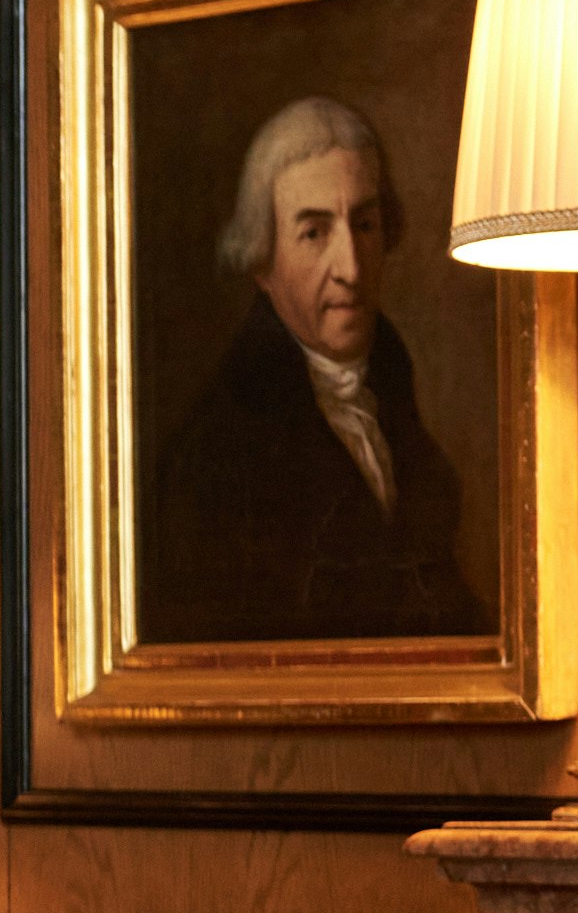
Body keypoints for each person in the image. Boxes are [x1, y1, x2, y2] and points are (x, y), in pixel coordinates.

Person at [141, 92, 484, 643]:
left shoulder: (396, 408)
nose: (350, 267)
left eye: (365, 224)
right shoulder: (213, 465)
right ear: (261, 259)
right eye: (314, 232)